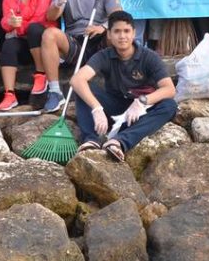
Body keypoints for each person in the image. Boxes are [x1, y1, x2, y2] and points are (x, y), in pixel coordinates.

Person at [70, 10, 178, 162]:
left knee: (169, 105)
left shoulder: (149, 56)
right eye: (117, 31)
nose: (122, 36)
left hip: (140, 111)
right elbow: (77, 79)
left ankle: (119, 141)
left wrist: (142, 101)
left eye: (126, 31)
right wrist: (96, 108)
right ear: (109, 35)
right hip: (115, 105)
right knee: (83, 89)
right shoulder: (104, 55)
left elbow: (169, 89)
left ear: (134, 33)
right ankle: (91, 140)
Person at [39, 0, 121, 112]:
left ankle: (121, 83)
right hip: (75, 44)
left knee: (116, 33)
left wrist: (103, 27)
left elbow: (118, 16)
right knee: (49, 34)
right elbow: (51, 17)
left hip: (100, 42)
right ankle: (55, 92)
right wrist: (58, 3)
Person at [0, 0, 56, 110]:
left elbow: (41, 19)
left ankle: (41, 74)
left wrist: (17, 27)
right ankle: (9, 94)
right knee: (9, 44)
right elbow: (4, 22)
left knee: (35, 29)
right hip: (25, 45)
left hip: (43, 46)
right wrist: (10, 23)